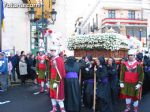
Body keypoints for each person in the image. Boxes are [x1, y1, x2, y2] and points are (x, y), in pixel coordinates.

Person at [49, 46, 66, 112]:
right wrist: (48, 80)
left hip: (58, 81)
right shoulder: (52, 59)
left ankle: (62, 110)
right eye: (51, 50)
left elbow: (60, 72)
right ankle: (54, 108)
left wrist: (56, 82)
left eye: (53, 50)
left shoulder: (59, 59)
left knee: (59, 96)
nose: (52, 52)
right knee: (52, 95)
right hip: (52, 80)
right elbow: (50, 70)